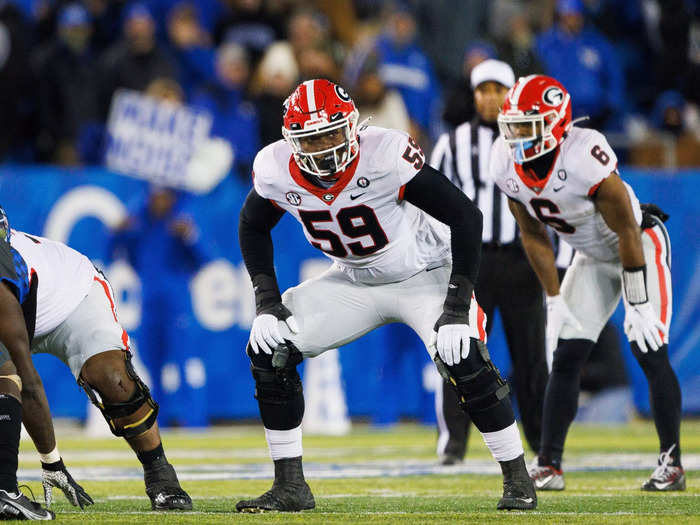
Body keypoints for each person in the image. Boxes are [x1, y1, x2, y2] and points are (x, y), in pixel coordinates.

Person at [236, 78, 536, 512]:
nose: (323, 147)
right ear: (290, 140)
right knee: (269, 347)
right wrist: (266, 300)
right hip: (352, 280)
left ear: (353, 126)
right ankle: (290, 486)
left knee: (463, 356)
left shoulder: (385, 154)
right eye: (311, 138)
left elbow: (466, 217)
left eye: (332, 133)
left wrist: (455, 307)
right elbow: (252, 224)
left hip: (425, 274)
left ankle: (518, 478)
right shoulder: (275, 167)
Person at [490, 74, 684, 492]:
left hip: (640, 243)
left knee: (648, 346)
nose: (518, 136)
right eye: (514, 126)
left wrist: (638, 301)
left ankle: (672, 464)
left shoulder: (584, 154)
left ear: (556, 122)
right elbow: (532, 233)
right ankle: (549, 464)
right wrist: (554, 296)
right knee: (566, 354)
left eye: (528, 125)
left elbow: (629, 230)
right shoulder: (504, 162)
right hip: (593, 257)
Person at [1, 208, 192, 510]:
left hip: (72, 298)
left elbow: (27, 383)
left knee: (112, 379)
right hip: (20, 314)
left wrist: (51, 461)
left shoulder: (6, 278)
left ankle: (160, 475)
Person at [430, 59, 547, 465]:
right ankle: (454, 445)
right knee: (459, 350)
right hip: (471, 263)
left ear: (512, 93)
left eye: (499, 89)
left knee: (531, 358)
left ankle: (543, 446)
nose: (491, 98)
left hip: (520, 260)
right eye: (483, 90)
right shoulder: (452, 143)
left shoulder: (534, 138)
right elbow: (431, 204)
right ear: (473, 95)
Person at [0, 211, 55, 519]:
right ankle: (4, 489)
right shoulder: (9, 259)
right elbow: (20, 362)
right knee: (8, 371)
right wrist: (52, 458)